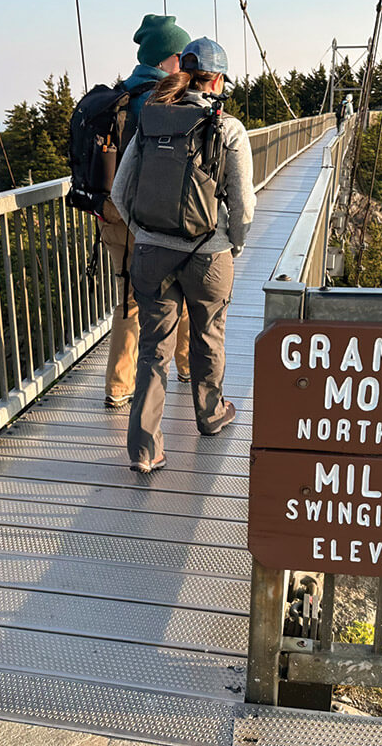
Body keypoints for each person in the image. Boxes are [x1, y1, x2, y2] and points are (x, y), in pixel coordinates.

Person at [111, 37, 255, 473]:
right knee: (208, 335)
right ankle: (210, 416)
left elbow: (120, 192)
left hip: (152, 253)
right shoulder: (227, 127)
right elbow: (243, 205)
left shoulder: (151, 120)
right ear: (218, 79)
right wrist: (235, 243)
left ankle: (143, 449)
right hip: (208, 253)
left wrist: (143, 232)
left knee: (154, 348)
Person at [101, 14, 193, 409]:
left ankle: (118, 386)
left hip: (112, 214)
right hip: (154, 216)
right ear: (171, 58)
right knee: (182, 290)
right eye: (183, 57)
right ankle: (188, 366)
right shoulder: (165, 98)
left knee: (129, 299)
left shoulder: (118, 95)